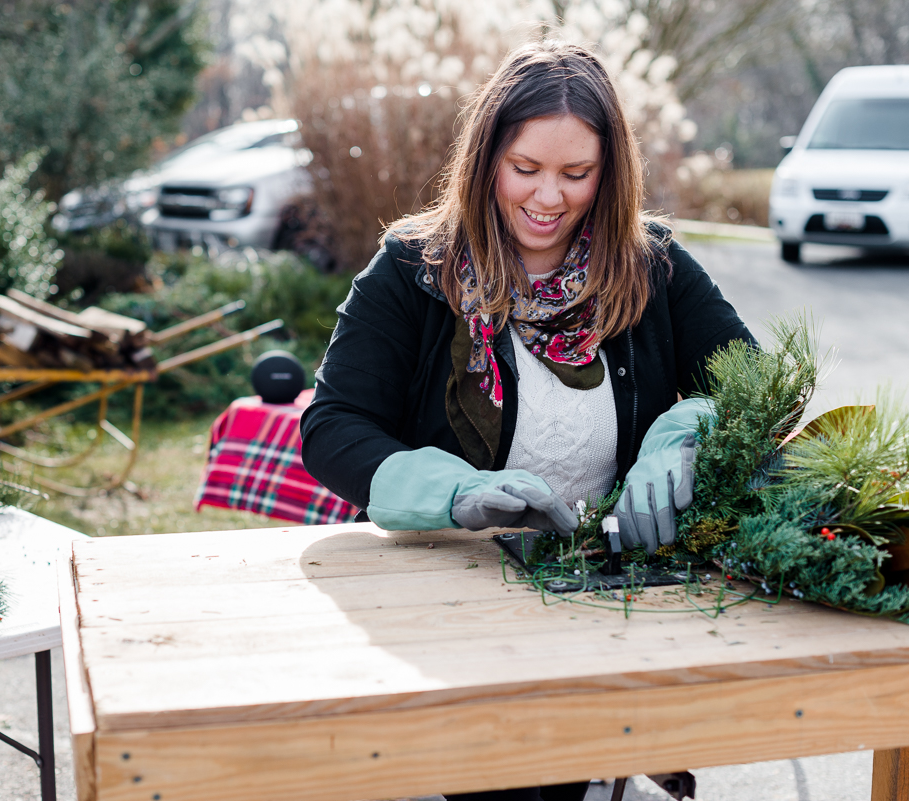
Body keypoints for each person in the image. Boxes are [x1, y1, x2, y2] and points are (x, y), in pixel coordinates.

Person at [300, 39, 756, 801]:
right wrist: (451, 491)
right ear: (486, 161)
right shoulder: (415, 270)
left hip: (603, 605)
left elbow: (757, 382)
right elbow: (333, 427)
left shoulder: (651, 267)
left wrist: (684, 435)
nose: (549, 197)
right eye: (526, 169)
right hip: (452, 606)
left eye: (576, 174)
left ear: (608, 174)